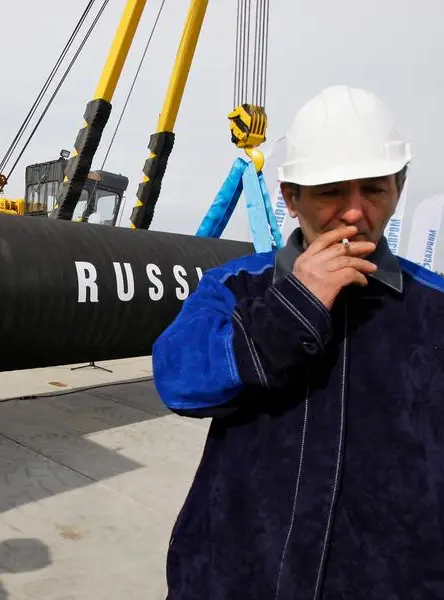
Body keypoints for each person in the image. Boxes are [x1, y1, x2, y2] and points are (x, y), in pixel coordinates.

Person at [153, 84, 444, 600]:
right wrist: (293, 308)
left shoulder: (433, 307)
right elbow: (179, 380)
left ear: (399, 188)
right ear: (291, 198)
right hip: (234, 579)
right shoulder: (237, 286)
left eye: (374, 189)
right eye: (331, 192)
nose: (354, 213)